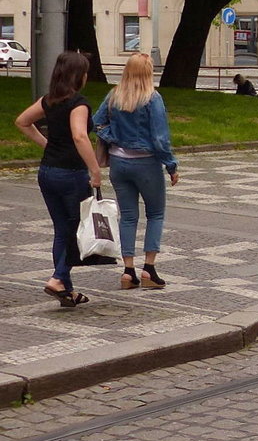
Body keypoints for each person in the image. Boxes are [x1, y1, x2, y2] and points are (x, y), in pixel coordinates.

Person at [14, 51, 102, 307]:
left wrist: (47, 144)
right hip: (72, 174)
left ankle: (66, 292)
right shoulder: (79, 103)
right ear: (79, 76)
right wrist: (95, 170)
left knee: (61, 230)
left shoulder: (49, 101)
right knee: (75, 229)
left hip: (47, 172)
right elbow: (79, 136)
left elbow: (22, 121)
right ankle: (58, 277)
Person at [94, 53, 180, 290]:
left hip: (118, 163)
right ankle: (149, 270)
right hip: (146, 164)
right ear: (148, 72)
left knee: (128, 216)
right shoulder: (152, 98)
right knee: (155, 214)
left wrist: (115, 139)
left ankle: (128, 270)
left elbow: (97, 122)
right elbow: (160, 139)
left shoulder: (114, 95)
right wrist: (171, 165)